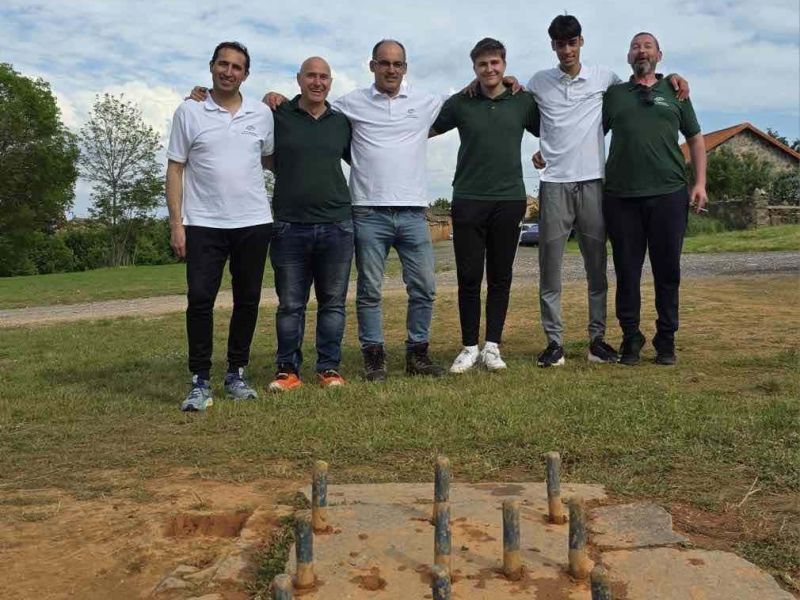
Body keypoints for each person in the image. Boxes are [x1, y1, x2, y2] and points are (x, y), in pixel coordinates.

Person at [528, 15, 689, 368]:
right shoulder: (538, 82)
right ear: (552, 45)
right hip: (553, 184)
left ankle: (597, 340)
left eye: (572, 43)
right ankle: (554, 342)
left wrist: (673, 77)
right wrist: (506, 82)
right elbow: (518, 106)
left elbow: (644, 81)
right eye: (560, 44)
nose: (566, 50)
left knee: (597, 269)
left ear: (581, 42)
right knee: (550, 269)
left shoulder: (606, 80)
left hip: (594, 183)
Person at [166, 41, 274, 411]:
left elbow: (271, 159)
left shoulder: (261, 113)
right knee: (200, 299)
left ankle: (236, 374)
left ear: (246, 74)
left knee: (248, 300)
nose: (229, 72)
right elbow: (175, 168)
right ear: (212, 66)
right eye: (223, 64)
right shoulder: (189, 110)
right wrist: (176, 223)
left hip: (253, 222)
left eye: (237, 67)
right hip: (203, 223)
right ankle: (200, 380)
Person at [430, 38, 538, 373]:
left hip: (509, 199)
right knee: (469, 276)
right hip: (468, 198)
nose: (489, 69)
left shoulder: (522, 101)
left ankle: (492, 346)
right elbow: (422, 130)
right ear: (474, 68)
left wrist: (546, 153)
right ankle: (468, 347)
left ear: (504, 65)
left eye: (495, 63)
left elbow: (554, 128)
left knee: (500, 276)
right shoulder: (461, 102)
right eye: (482, 64)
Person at [602, 32, 707, 365]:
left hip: (669, 194)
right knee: (627, 272)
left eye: (648, 46)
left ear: (659, 55)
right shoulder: (614, 95)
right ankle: (630, 338)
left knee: (667, 271)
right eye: (635, 46)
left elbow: (695, 139)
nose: (641, 50)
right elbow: (586, 132)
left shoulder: (676, 92)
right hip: (621, 197)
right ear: (628, 56)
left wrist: (700, 183)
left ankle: (666, 340)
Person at [264, 57, 353, 392]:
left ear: (330, 82)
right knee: (290, 305)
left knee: (333, 303)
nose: (317, 82)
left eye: (324, 77)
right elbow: (263, 154)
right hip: (290, 225)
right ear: (298, 79)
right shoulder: (278, 114)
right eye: (311, 76)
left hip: (337, 225)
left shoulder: (341, 122)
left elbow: (363, 157)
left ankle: (329, 368)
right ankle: (287, 370)